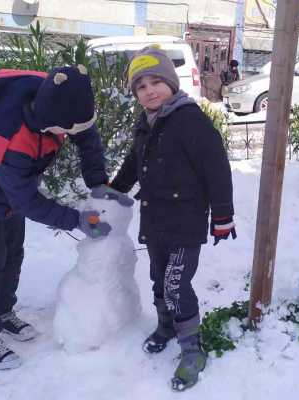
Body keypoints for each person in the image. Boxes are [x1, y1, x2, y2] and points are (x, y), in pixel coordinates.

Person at [0, 65, 129, 370]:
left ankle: (4, 311)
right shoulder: (9, 137)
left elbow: (86, 138)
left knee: (12, 254)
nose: (72, 135)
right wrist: (78, 220)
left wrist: (98, 183)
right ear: (50, 122)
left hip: (10, 184)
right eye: (67, 131)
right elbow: (27, 201)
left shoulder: (61, 98)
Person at [109, 46, 236, 391]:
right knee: (158, 278)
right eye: (141, 86)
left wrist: (223, 214)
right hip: (155, 219)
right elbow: (134, 163)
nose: (149, 90)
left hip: (186, 223)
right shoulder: (146, 123)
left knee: (176, 285)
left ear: (171, 82)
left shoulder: (189, 119)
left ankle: (192, 348)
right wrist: (115, 189)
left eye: (156, 82)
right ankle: (166, 326)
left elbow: (216, 169)